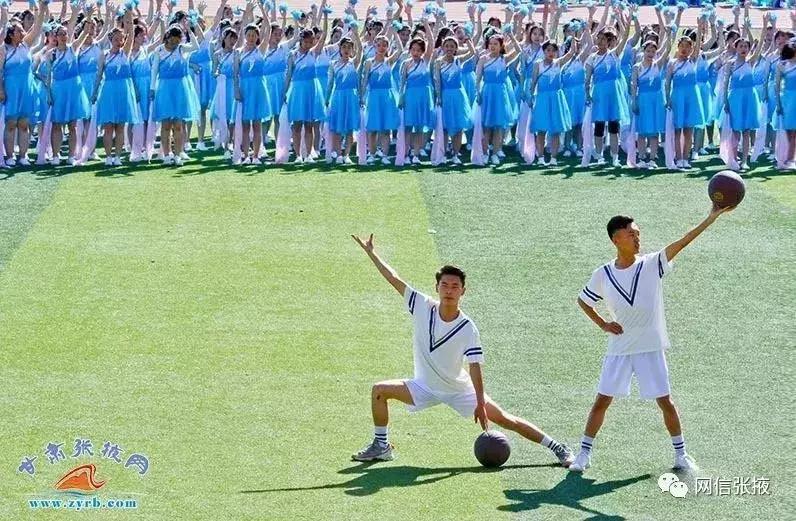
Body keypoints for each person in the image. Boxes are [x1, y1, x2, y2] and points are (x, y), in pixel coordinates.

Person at [349, 233, 575, 467]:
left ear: (462, 291)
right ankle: (381, 446)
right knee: (379, 391)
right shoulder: (421, 305)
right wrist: (371, 253)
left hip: (459, 389)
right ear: (436, 287)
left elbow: (475, 366)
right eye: (444, 285)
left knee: (506, 419)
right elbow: (393, 278)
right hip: (424, 387)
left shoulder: (468, 328)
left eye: (455, 286)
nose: (449, 290)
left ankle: (557, 448)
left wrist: (479, 402)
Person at [569, 205, 735, 473]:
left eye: (638, 233)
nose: (637, 238)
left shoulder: (652, 263)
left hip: (650, 348)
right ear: (616, 239)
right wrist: (603, 324)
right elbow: (583, 300)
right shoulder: (603, 274)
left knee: (665, 401)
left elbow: (683, 242)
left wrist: (711, 217)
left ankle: (681, 455)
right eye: (631, 234)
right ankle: (584, 454)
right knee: (602, 401)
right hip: (620, 348)